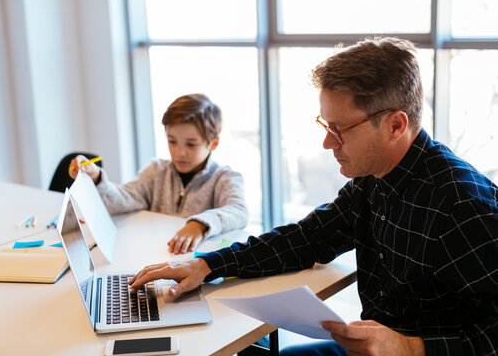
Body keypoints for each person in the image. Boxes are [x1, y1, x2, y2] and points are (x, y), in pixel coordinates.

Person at [127, 37, 498, 355]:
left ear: (395, 125)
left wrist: (411, 348)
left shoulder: (461, 205)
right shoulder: (373, 179)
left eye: (339, 129)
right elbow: (308, 238)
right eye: (325, 125)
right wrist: (208, 265)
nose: (326, 142)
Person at [69, 93, 248, 254]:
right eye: (172, 141)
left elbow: (239, 212)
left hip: (194, 265)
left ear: (213, 143)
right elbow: (125, 197)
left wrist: (199, 225)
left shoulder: (225, 178)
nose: (179, 152)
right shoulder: (156, 171)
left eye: (191, 144)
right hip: (154, 255)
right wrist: (97, 178)